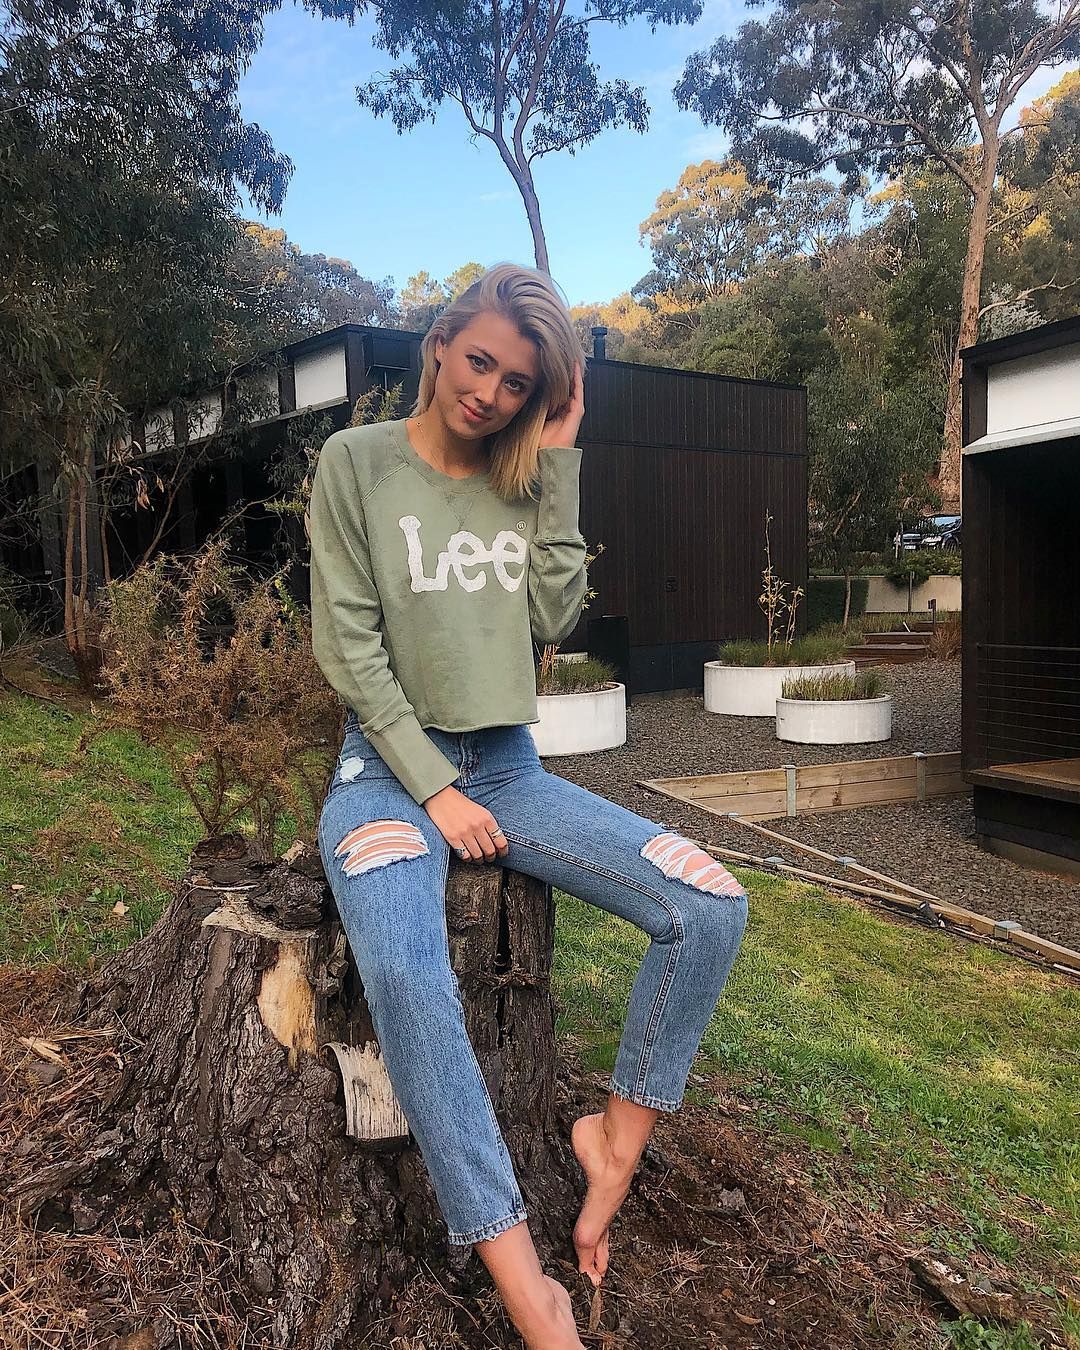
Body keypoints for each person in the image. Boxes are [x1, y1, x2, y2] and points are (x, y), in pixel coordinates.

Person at [308, 262, 749, 1349]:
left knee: (710, 903)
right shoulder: (356, 462)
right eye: (481, 363)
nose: (491, 394)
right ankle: (521, 1280)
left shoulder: (523, 473)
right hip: (386, 772)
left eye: (519, 383)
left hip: (508, 769)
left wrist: (558, 461)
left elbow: (553, 614)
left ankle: (614, 1142)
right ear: (440, 342)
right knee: (408, 976)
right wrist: (433, 787)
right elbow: (348, 646)